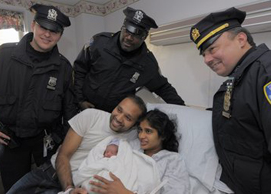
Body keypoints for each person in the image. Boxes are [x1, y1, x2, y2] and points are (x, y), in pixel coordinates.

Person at [0, 3, 76, 192]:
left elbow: (70, 111)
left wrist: (63, 141)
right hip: (11, 142)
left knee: (51, 189)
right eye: (43, 27)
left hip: (48, 143)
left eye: (54, 31)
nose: (47, 34)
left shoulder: (64, 68)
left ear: (60, 35)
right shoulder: (3, 56)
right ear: (33, 25)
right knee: (15, 190)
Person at [189, 7, 271, 194]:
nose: (207, 59)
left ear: (241, 39)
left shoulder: (265, 73)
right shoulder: (239, 78)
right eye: (203, 54)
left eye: (211, 49)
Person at [6, 95, 147, 194]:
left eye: (128, 117)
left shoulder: (133, 138)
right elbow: (64, 155)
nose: (119, 118)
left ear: (135, 124)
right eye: (119, 109)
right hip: (50, 174)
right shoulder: (91, 116)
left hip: (80, 188)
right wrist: (68, 189)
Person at [74, 6, 185, 112]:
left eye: (136, 35)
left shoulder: (147, 63)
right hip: (84, 107)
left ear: (144, 37)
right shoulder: (100, 42)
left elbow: (163, 87)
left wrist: (184, 109)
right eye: (127, 31)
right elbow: (79, 70)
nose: (129, 38)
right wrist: (80, 100)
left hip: (115, 117)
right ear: (122, 27)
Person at [88, 109, 190, 194]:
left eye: (148, 131)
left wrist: (123, 192)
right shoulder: (130, 147)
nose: (141, 136)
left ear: (163, 135)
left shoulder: (172, 161)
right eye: (140, 130)